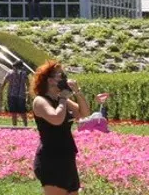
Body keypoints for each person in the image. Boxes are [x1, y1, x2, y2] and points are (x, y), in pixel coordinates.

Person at [31, 59, 89, 195]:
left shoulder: (61, 99)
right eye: (61, 75)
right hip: (51, 159)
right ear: (50, 80)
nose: (65, 79)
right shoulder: (40, 101)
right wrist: (63, 99)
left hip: (67, 156)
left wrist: (77, 92)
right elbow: (56, 119)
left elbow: (84, 114)